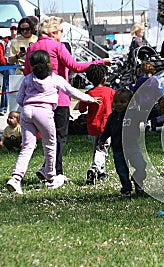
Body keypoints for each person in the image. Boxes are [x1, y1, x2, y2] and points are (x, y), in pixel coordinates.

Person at [24, 16, 113, 181]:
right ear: (55, 32)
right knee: (60, 137)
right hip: (59, 98)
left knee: (48, 138)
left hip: (39, 100)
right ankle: (52, 171)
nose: (62, 35)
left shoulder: (32, 48)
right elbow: (75, 67)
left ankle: (50, 169)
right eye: (61, 32)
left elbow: (26, 73)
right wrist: (101, 61)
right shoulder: (58, 46)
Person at [6, 50, 100, 194]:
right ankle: (51, 178)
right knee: (50, 145)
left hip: (27, 111)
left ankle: (16, 179)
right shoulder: (55, 79)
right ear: (49, 64)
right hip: (44, 112)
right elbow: (72, 91)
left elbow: (19, 99)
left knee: (27, 147)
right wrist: (91, 99)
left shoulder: (27, 78)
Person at [99, 89, 147, 197]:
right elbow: (107, 130)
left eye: (122, 102)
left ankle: (137, 179)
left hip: (132, 147)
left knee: (141, 165)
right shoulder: (112, 117)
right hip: (118, 149)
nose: (118, 104)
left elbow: (147, 114)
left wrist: (160, 110)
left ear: (130, 103)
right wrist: (102, 139)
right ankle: (126, 189)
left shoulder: (134, 114)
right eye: (116, 102)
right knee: (122, 171)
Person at [78, 64, 115, 184]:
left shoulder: (88, 93)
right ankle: (95, 169)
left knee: (97, 149)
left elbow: (81, 109)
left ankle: (101, 173)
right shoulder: (110, 91)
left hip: (93, 126)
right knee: (102, 149)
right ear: (104, 78)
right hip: (107, 125)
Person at [130, 62, 160, 133]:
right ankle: (153, 128)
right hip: (153, 101)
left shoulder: (140, 80)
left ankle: (146, 124)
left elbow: (135, 89)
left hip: (143, 101)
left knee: (144, 114)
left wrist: (130, 85)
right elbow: (157, 90)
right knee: (153, 115)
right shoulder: (154, 79)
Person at [0, 22, 19, 115]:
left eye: (15, 29)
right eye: (12, 29)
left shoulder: (21, 40)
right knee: (6, 86)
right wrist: (4, 62)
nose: (13, 31)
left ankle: (16, 108)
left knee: (18, 87)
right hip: (9, 65)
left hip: (20, 65)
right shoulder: (6, 41)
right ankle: (3, 108)